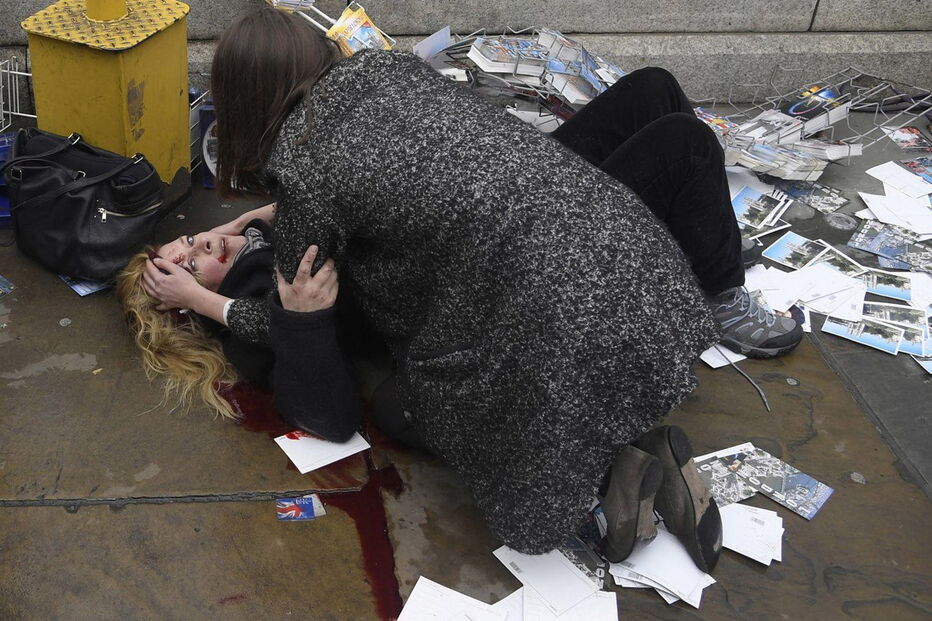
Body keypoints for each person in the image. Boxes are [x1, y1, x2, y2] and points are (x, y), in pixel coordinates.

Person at [140, 7, 804, 569]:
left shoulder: (308, 189)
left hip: (546, 295)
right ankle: (627, 451)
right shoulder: (383, 70)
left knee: (424, 410)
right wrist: (250, 236)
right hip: (639, 257)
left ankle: (607, 478)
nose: (203, 242)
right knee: (658, 117)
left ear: (244, 100)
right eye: (194, 255)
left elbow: (301, 325)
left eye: (192, 243)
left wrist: (205, 293)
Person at [117, 213, 364, 442]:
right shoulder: (248, 322)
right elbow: (330, 413)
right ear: (190, 301)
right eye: (193, 265)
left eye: (190, 239)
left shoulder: (253, 238)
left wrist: (239, 224)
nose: (205, 244)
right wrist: (198, 299)